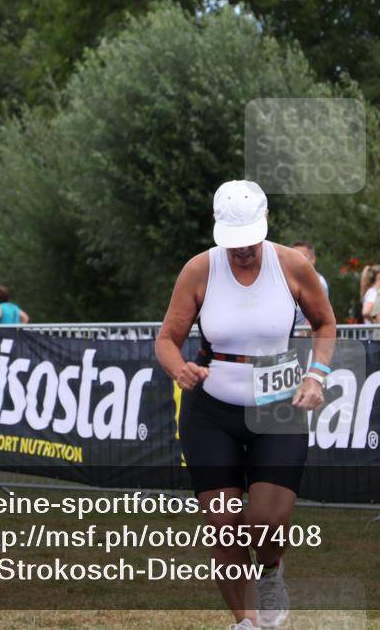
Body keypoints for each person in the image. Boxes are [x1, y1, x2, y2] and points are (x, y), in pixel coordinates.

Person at [156, 180, 336, 630]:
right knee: (224, 525)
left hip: (277, 406)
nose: (241, 251)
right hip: (210, 409)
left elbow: (325, 323)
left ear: (266, 223)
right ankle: (246, 622)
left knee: (266, 522)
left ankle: (271, 570)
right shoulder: (199, 270)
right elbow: (167, 339)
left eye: (249, 241)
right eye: (233, 242)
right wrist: (179, 369)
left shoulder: (292, 266)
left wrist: (316, 375)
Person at [292, 241, 329, 329]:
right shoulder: (288, 279)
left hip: (303, 335)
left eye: (303, 256)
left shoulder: (318, 282)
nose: (298, 260)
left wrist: (303, 333)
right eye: (294, 256)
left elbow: (319, 314)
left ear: (313, 259)